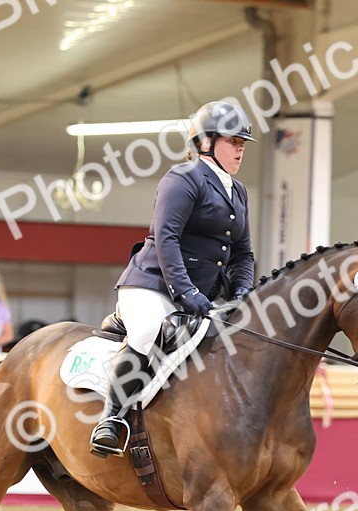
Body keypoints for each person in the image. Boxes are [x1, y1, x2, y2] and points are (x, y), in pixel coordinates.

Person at [89, 100, 256, 457]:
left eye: (242, 144)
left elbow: (243, 253)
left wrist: (242, 290)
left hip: (204, 294)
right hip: (153, 284)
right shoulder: (183, 179)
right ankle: (112, 418)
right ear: (206, 142)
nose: (240, 149)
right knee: (150, 329)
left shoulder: (238, 192)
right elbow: (167, 238)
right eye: (233, 142)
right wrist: (186, 292)